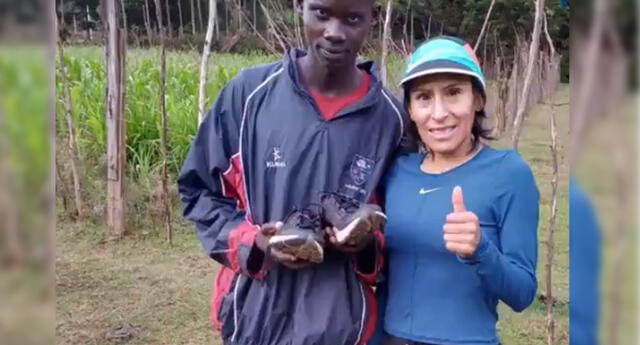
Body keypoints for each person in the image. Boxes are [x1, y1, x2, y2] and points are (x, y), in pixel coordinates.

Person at [177, 0, 406, 344]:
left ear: (374, 16)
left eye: (353, 18)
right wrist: (253, 244)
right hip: (254, 320)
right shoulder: (248, 96)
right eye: (322, 14)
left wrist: (364, 246)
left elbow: (403, 225)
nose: (334, 33)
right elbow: (198, 191)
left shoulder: (391, 121)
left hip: (345, 328)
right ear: (300, 6)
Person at [374, 36, 540, 345]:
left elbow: (523, 293)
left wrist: (481, 250)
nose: (438, 113)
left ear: (478, 100)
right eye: (423, 97)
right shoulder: (396, 172)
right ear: (410, 109)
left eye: (453, 93)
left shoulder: (509, 174)